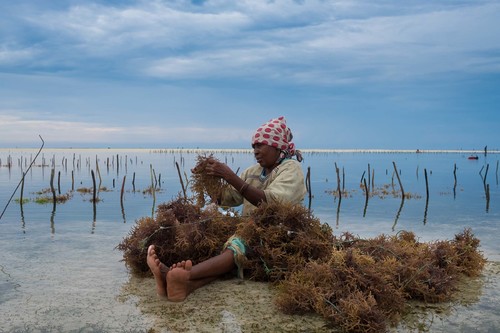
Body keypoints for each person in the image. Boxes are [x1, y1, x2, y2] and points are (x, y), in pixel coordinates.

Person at [147, 116, 307, 301]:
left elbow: (270, 203)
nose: (255, 151)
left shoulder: (291, 169)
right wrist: (209, 178)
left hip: (279, 232)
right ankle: (185, 286)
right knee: (228, 248)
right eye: (253, 146)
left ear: (277, 146)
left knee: (237, 245)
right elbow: (225, 199)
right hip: (251, 230)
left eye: (260, 145)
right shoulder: (253, 171)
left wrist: (230, 176)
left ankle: (177, 275)